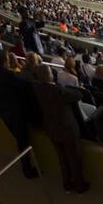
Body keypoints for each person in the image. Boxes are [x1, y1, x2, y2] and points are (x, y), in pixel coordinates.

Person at [32, 64, 88, 193]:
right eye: (51, 73)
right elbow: (79, 95)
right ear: (49, 76)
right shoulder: (58, 90)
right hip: (66, 129)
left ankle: (67, 183)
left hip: (51, 128)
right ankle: (80, 186)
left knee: (62, 158)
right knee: (74, 157)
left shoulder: (37, 87)